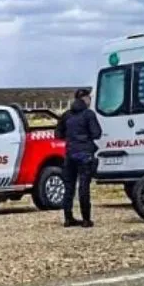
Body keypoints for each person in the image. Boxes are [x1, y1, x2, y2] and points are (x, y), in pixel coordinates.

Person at [55, 88, 102, 228]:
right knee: (83, 187)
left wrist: (71, 138)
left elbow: (58, 134)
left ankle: (68, 218)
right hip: (84, 155)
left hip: (70, 155)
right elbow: (97, 133)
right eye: (90, 98)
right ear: (85, 99)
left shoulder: (66, 115)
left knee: (69, 187)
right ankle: (86, 219)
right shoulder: (88, 114)